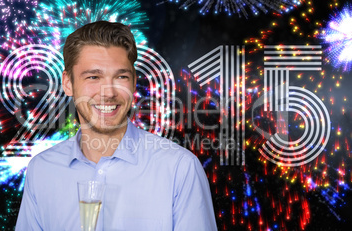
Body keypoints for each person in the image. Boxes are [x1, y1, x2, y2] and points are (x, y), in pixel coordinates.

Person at [16, 21, 217, 231]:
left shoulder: (180, 169)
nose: (109, 92)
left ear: (133, 82)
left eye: (121, 77)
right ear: (68, 83)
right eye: (93, 77)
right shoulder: (42, 171)